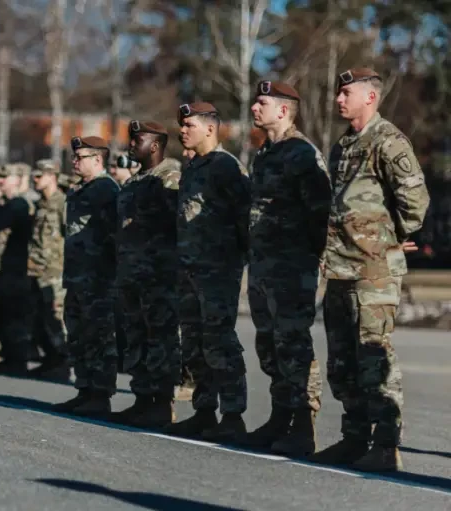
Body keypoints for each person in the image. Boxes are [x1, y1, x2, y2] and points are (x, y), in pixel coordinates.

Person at [310, 68, 430, 472]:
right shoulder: (344, 146)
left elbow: (415, 202)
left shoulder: (389, 141)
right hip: (341, 269)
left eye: (346, 93)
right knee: (342, 362)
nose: (338, 99)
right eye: (339, 92)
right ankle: (354, 437)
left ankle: (385, 444)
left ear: (370, 97)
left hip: (374, 272)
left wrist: (389, 236)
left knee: (374, 357)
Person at [242, 81, 331, 456]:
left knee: (294, 343)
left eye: (261, 102)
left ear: (283, 110)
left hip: (293, 267)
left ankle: (304, 424)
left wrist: (309, 258)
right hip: (263, 266)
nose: (253, 108)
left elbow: (321, 212)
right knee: (269, 344)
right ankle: (281, 416)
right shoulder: (264, 154)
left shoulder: (301, 153)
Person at [165, 103, 251, 442]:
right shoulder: (193, 166)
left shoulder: (226, 167)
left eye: (189, 125)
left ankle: (232, 414)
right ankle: (203, 411)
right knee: (195, 341)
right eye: (181, 125)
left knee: (219, 340)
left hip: (218, 270)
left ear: (210, 129)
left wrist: (236, 261)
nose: (182, 130)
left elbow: (244, 217)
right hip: (189, 270)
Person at [113, 121, 181, 428]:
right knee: (136, 337)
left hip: (159, 274)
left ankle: (162, 403)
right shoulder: (134, 181)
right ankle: (142, 398)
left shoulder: (171, 177)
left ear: (154, 145)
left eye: (136, 140)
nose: (130, 145)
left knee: (161, 338)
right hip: (132, 274)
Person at [53, 136, 120, 415]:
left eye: (81, 157)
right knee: (79, 334)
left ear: (98, 160)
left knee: (99, 336)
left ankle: (100, 394)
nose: (75, 161)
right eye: (75, 157)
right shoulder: (81, 189)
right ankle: (85, 389)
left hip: (98, 278)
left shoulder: (106, 190)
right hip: (78, 276)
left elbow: (115, 234)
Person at [0, 163, 33, 375]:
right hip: (2, 268)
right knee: (2, 315)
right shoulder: (6, 204)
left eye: (5, 177)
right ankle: (10, 357)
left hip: (15, 269)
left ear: (18, 180)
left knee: (14, 316)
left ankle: (18, 360)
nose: (0, 181)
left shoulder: (19, 204)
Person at [26, 159, 68, 380]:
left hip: (54, 272)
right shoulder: (41, 204)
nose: (35, 180)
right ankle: (50, 359)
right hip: (36, 271)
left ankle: (62, 361)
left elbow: (68, 236)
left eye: (39, 176)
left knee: (55, 318)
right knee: (39, 319)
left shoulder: (62, 203)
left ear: (52, 176)